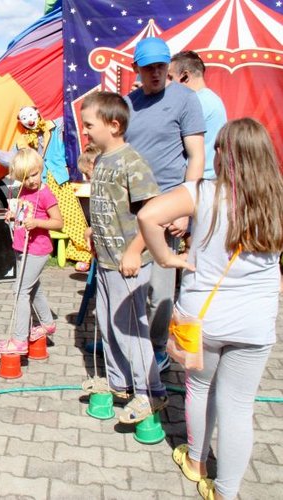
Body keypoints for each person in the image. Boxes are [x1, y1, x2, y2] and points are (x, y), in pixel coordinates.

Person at [138, 118, 283, 500]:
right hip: (256, 322)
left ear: (224, 155)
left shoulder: (201, 192)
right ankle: (225, 491)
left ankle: (196, 461)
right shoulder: (277, 197)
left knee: (200, 388)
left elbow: (148, 216)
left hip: (203, 316)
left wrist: (166, 258)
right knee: (238, 407)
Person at [81, 91, 167, 424]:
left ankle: (151, 392)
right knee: (107, 325)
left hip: (127, 265)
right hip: (105, 261)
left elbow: (153, 213)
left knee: (130, 330)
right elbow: (108, 205)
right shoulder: (103, 159)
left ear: (114, 125)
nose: (85, 130)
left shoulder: (132, 162)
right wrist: (95, 231)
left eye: (90, 125)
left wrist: (134, 250)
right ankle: (120, 382)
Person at [125, 37, 206, 372]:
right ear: (136, 69)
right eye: (149, 68)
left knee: (159, 291)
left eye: (161, 66)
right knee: (129, 282)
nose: (156, 73)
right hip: (130, 206)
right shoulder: (128, 104)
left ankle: (158, 350)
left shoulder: (185, 99)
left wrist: (185, 209)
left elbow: (197, 156)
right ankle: (130, 345)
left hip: (167, 206)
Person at [0, 106, 92, 272]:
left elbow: (71, 114)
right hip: (37, 183)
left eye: (31, 115)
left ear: (37, 113)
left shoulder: (54, 126)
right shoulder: (22, 142)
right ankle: (35, 249)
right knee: (33, 215)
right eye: (24, 117)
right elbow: (11, 159)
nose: (29, 119)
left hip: (58, 179)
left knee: (72, 216)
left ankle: (85, 254)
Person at [0, 148, 63, 354]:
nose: (31, 181)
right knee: (33, 288)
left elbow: (58, 222)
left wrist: (38, 223)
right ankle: (47, 324)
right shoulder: (23, 190)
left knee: (20, 291)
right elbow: (23, 213)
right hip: (21, 247)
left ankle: (19, 339)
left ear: (40, 169)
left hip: (37, 249)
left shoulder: (45, 194)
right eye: (25, 178)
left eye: (34, 174)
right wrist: (12, 215)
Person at [168, 50, 227, 180]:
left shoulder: (197, 102)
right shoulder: (211, 99)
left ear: (185, 76)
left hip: (199, 179)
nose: (167, 83)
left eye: (170, 78)